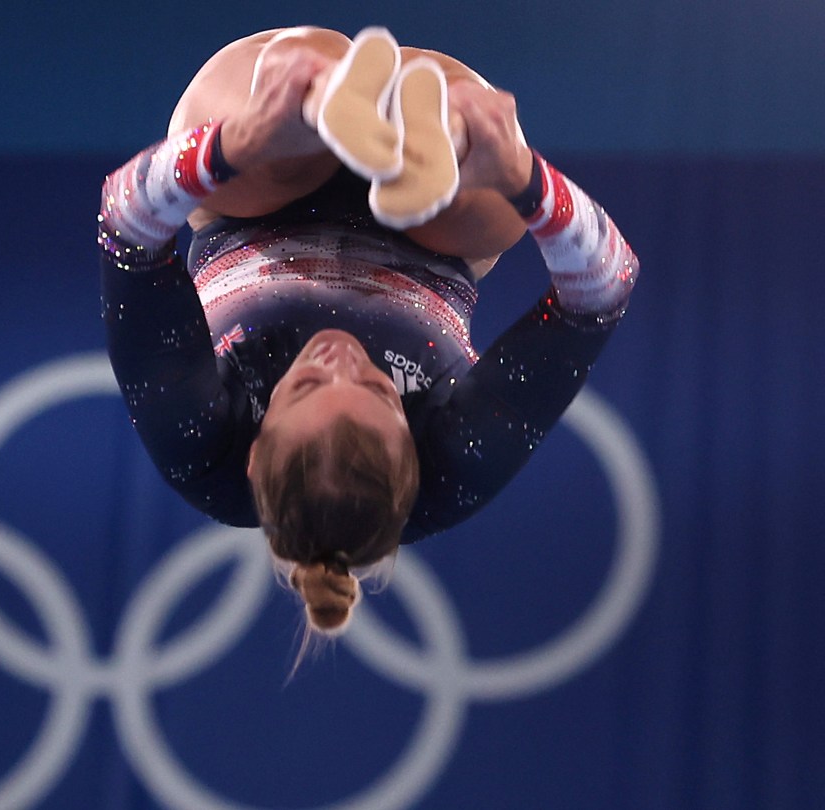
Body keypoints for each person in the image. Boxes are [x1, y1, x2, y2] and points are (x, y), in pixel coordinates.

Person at [97, 26, 639, 637]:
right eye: (379, 390)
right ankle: (439, 138)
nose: (341, 354)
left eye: (304, 387)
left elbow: (127, 224)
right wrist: (525, 180)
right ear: (413, 445)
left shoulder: (201, 445)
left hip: (250, 206)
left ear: (253, 456)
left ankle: (317, 103)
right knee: (481, 183)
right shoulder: (454, 464)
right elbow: (603, 288)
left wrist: (234, 143)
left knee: (283, 96)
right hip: (432, 230)